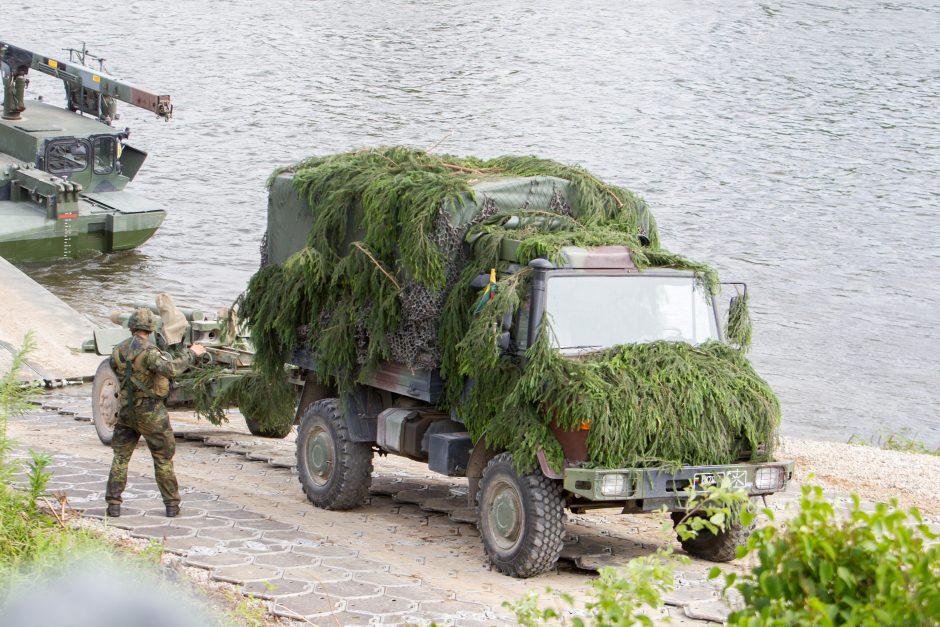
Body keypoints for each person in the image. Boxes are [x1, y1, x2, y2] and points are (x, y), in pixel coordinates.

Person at [105, 308, 206, 518]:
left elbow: (116, 371)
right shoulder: (150, 352)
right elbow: (171, 370)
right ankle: (171, 505)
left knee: (120, 458)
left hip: (125, 412)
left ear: (131, 327)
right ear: (151, 329)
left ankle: (113, 504)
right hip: (151, 413)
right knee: (162, 459)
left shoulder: (118, 351)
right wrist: (192, 353)